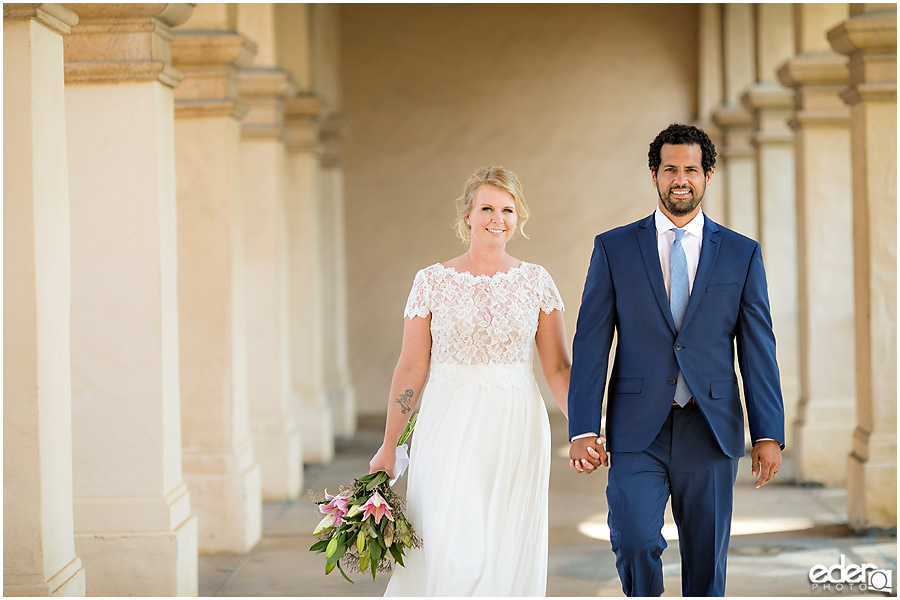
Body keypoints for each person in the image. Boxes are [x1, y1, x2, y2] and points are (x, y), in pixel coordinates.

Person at [567, 123, 785, 597]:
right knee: (633, 540)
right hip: (636, 428)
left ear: (708, 175)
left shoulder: (742, 254)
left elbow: (757, 347)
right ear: (654, 174)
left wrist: (767, 432)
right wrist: (583, 427)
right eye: (670, 169)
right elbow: (591, 341)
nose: (680, 178)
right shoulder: (614, 248)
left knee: (706, 562)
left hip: (709, 426)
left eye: (691, 169)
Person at [369, 166, 571, 596]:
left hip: (515, 425)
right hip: (448, 422)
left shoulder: (536, 282)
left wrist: (588, 429)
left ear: (518, 218)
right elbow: (410, 369)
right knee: (450, 543)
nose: (496, 218)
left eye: (507, 209)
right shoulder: (432, 282)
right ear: (468, 216)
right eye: (486, 208)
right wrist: (390, 447)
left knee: (505, 542)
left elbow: (557, 368)